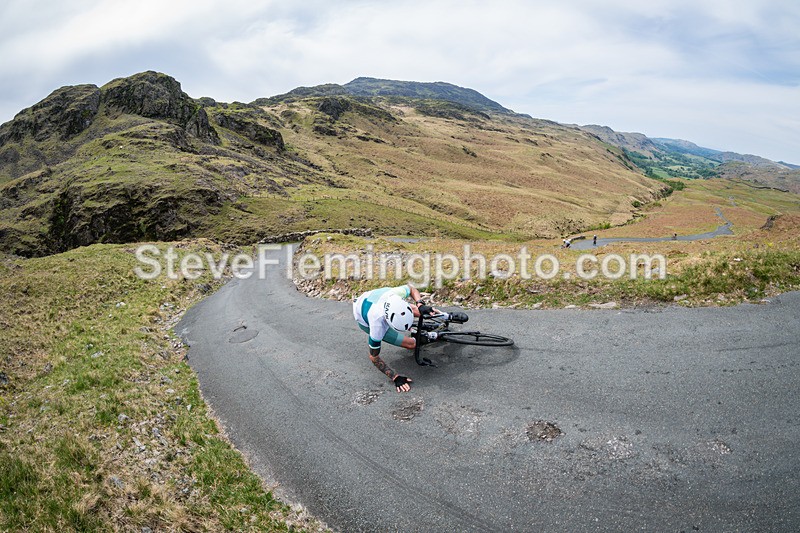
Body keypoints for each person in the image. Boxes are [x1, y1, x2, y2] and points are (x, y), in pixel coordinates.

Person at [352, 284, 434, 393]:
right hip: (363, 316)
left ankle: (446, 316)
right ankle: (427, 336)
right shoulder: (377, 326)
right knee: (411, 345)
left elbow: (411, 288)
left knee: (421, 310)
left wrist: (420, 304)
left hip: (378, 297)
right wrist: (395, 377)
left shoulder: (395, 294)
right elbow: (374, 357)